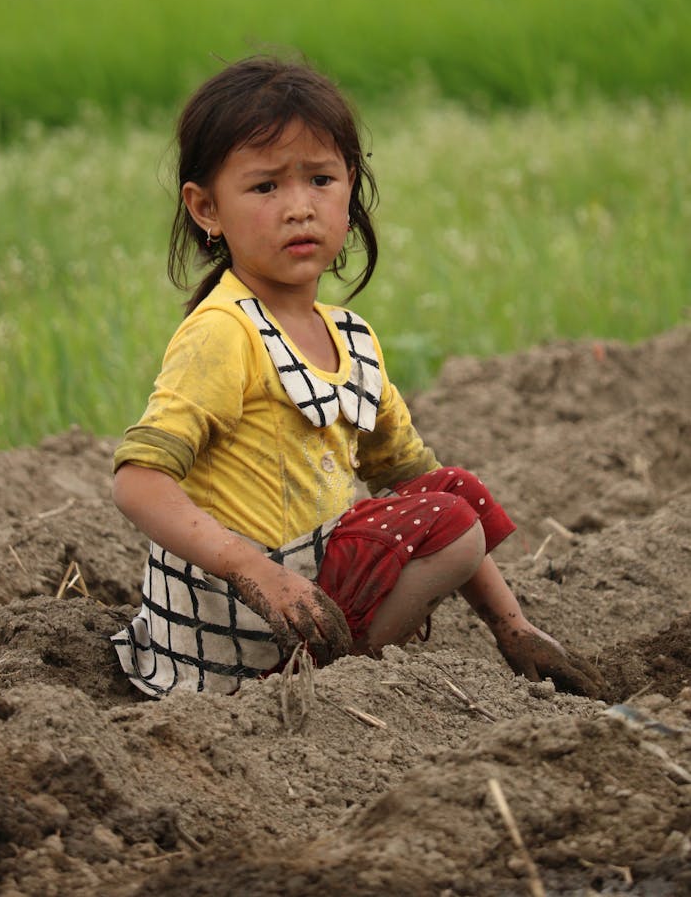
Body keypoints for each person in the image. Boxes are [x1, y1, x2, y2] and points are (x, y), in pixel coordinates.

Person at [111, 56, 601, 700]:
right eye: (265, 188)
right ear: (207, 209)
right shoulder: (223, 331)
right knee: (447, 518)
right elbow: (138, 481)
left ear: (351, 189)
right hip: (235, 616)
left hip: (308, 587)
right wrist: (257, 572)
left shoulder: (351, 337)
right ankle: (329, 681)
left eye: (320, 179)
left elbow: (423, 486)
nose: (299, 208)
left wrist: (512, 627)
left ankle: (350, 661)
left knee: (453, 491)